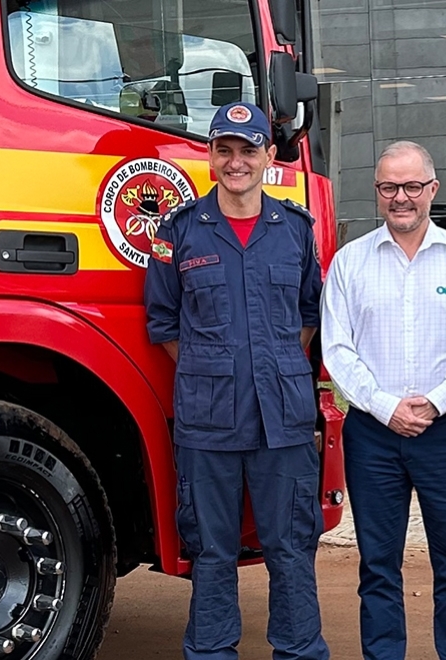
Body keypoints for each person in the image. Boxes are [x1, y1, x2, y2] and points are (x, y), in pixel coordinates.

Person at [144, 101, 327, 660]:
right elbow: (163, 321)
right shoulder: (178, 233)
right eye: (225, 150)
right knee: (213, 551)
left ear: (269, 157)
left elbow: (308, 315)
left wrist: (269, 366)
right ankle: (211, 651)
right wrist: (213, 368)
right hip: (208, 421)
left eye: (248, 150)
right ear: (210, 156)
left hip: (283, 419)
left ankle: (299, 651)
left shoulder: (295, 229)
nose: (236, 161)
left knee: (291, 547)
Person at [321, 141, 446, 660]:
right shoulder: (350, 263)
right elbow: (337, 348)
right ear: (377, 193)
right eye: (390, 188)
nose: (402, 198)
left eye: (412, 187)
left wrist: (437, 403)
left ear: (432, 190)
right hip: (373, 436)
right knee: (377, 565)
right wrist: (385, 406)